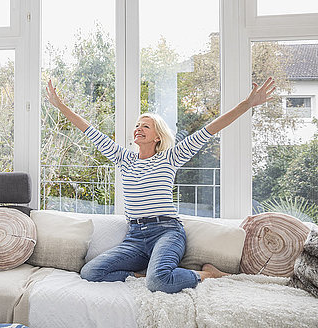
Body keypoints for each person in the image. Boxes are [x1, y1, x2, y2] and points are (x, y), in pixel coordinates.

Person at [45, 77, 276, 293]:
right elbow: (89, 131)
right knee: (91, 272)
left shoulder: (170, 157)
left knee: (158, 282)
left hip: (167, 232)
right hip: (135, 237)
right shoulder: (125, 159)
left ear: (157, 136)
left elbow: (210, 130)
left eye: (145, 126)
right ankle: (143, 274)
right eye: (137, 125)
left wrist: (247, 104)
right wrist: (60, 106)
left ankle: (206, 276)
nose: (138, 129)